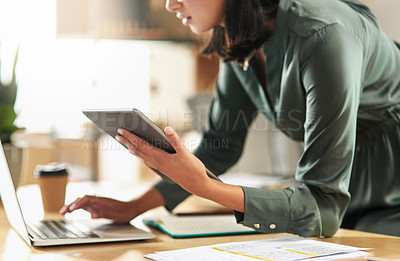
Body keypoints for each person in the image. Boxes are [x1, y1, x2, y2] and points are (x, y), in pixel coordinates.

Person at [60, 0, 400, 237]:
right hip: (348, 186)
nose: (170, 5)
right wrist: (134, 207)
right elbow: (217, 150)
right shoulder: (239, 41)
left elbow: (323, 205)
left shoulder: (324, 36)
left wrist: (207, 188)